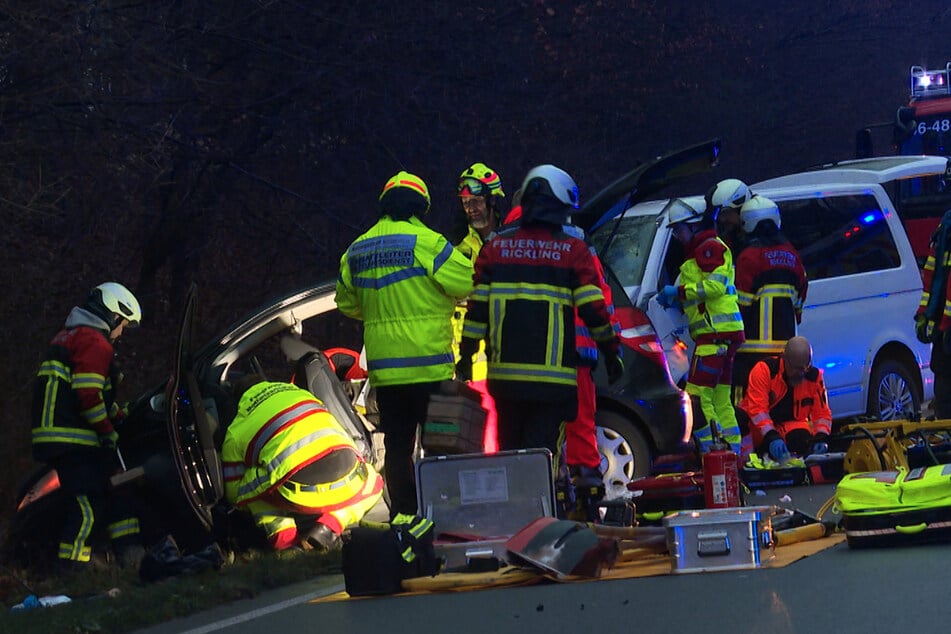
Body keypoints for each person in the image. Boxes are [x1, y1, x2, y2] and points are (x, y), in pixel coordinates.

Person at [457, 164, 623, 480]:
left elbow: (476, 313)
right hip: (553, 381)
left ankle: (517, 519)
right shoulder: (571, 250)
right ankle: (542, 521)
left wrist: (466, 356)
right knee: (539, 460)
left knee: (511, 455)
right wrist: (611, 352)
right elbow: (593, 308)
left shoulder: (494, 249)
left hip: (504, 380)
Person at [336, 171, 474, 518]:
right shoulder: (427, 242)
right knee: (441, 447)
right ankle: (444, 516)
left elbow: (347, 303)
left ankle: (404, 517)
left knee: (397, 448)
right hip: (430, 369)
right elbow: (467, 281)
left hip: (387, 375)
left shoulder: (357, 249)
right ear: (421, 207)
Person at [31, 282, 145, 573]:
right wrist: (108, 431)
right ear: (114, 315)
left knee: (113, 494)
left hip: (62, 437)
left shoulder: (71, 337)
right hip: (73, 440)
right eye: (124, 326)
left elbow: (89, 394)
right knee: (87, 505)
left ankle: (129, 560)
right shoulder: (94, 341)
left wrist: (118, 414)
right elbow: (89, 397)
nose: (121, 334)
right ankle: (72, 571)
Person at [221, 376, 384, 551]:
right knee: (374, 482)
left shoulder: (236, 428)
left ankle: (286, 544)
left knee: (253, 493)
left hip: (298, 491)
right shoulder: (302, 395)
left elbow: (233, 493)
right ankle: (330, 525)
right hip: (346, 473)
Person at [657, 198, 745, 451]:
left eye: (679, 229)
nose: (676, 235)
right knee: (720, 399)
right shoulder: (702, 251)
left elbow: (714, 287)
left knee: (696, 398)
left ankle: (712, 451)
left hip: (714, 337)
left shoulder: (708, 248)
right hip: (720, 337)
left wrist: (678, 292)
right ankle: (733, 452)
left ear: (694, 225)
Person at [732, 195, 808, 456]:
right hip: (784, 353)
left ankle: (746, 459)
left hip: (749, 352)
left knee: (744, 409)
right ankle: (779, 452)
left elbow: (740, 305)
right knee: (778, 406)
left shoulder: (748, 257)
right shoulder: (792, 255)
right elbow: (800, 299)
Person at [450, 162, 506, 452]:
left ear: (493, 200)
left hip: (508, 357)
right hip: (472, 361)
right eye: (465, 203)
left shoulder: (513, 242)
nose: (470, 208)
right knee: (480, 443)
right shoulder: (459, 250)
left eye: (476, 201)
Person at [739, 336, 833, 461]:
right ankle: (746, 463)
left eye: (806, 367)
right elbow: (757, 410)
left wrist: (821, 437)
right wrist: (771, 436)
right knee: (740, 419)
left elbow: (822, 413)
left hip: (787, 426)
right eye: (797, 368)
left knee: (801, 438)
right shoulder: (765, 370)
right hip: (756, 429)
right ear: (784, 359)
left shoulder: (814, 378)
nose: (802, 373)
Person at [915, 209, 951, 419]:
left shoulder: (944, 228)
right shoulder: (945, 228)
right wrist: (925, 315)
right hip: (943, 335)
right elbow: (933, 280)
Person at [704, 178, 752, 253]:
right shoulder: (727, 237)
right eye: (719, 214)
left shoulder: (760, 245)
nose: (722, 219)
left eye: (725, 213)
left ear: (741, 208)